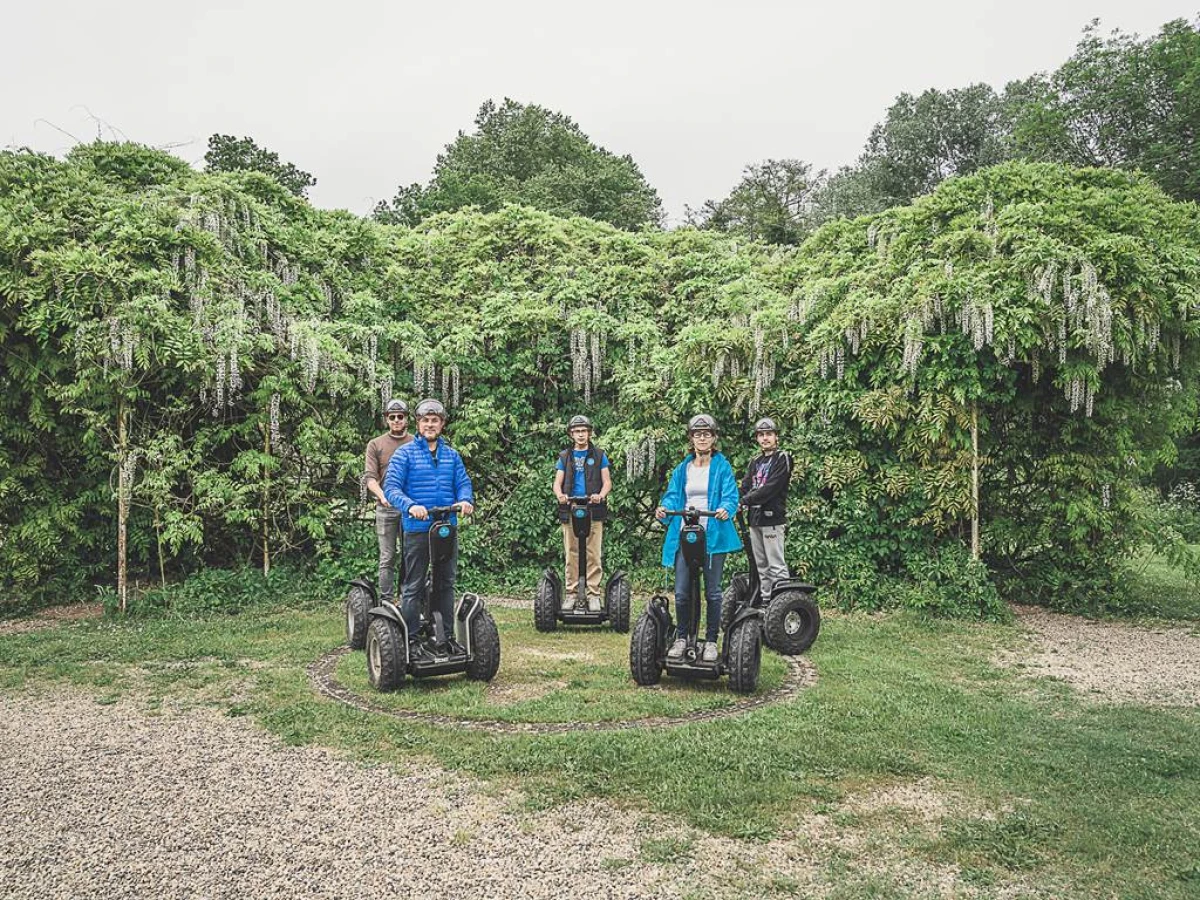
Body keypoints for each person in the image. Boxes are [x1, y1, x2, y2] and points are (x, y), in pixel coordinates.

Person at [382, 399, 475, 643]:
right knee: (413, 584)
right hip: (418, 528)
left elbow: (463, 483)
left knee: (445, 582)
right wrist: (411, 506)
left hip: (446, 527)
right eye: (425, 421)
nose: (430, 425)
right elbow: (391, 488)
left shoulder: (452, 456)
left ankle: (444, 634)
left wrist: (465, 500)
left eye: (435, 421)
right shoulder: (405, 454)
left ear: (442, 424)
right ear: (418, 424)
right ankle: (410, 638)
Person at [655, 414, 742, 662]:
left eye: (707, 434)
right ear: (691, 439)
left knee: (713, 592)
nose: (702, 438)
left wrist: (726, 508)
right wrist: (664, 508)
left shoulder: (722, 466)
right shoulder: (683, 468)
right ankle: (682, 638)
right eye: (697, 434)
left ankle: (712, 640)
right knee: (682, 592)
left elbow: (730, 495)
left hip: (712, 535)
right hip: (686, 536)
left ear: (714, 438)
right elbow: (673, 496)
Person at [552, 415, 612, 612]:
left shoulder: (599, 454)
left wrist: (600, 495)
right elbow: (557, 483)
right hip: (570, 509)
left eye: (583, 431)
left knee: (593, 553)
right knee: (572, 552)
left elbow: (607, 482)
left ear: (589, 433)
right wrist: (560, 495)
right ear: (571, 434)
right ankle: (571, 592)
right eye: (577, 431)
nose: (580, 435)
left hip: (593, 509)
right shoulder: (565, 457)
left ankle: (594, 594)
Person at [363, 399, 413, 604]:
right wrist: (383, 496)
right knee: (388, 557)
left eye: (400, 416)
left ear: (407, 419)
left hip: (411, 508)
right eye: (392, 417)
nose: (396, 420)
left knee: (411, 555)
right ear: (386, 419)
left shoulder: (415, 442)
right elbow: (370, 478)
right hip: (387, 508)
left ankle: (408, 597)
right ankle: (386, 600)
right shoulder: (375, 444)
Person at [739, 417, 792, 600]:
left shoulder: (782, 458)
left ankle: (783, 603)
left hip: (772, 519)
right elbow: (745, 486)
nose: (765, 438)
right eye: (761, 435)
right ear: (757, 439)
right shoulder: (755, 461)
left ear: (776, 437)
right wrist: (734, 500)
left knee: (775, 564)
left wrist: (745, 501)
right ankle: (767, 602)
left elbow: (770, 489)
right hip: (755, 519)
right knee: (761, 564)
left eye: (769, 434)